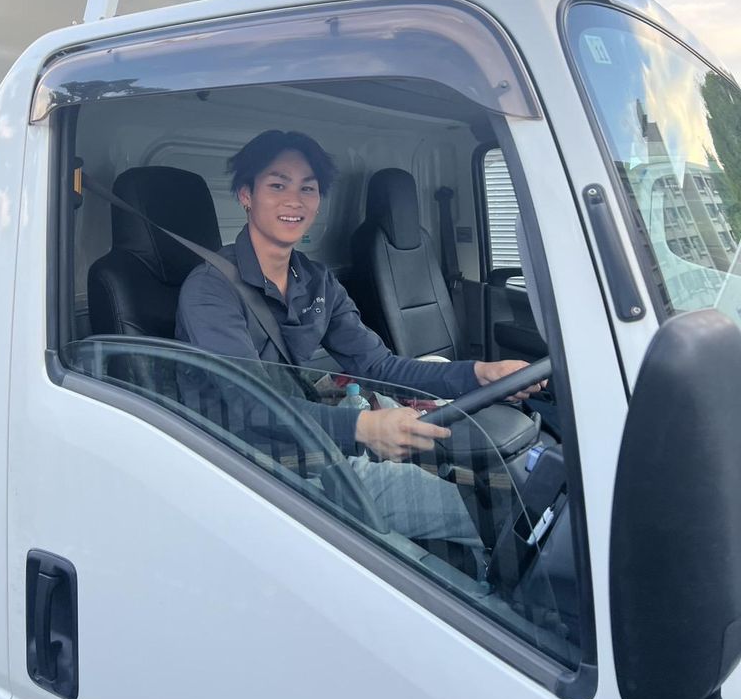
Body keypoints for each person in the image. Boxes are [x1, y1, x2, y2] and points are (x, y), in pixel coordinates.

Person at [175, 130, 540, 542]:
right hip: (247, 466)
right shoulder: (209, 290)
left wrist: (478, 374)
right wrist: (360, 427)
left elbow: (378, 366)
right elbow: (247, 403)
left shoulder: (317, 281)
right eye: (277, 185)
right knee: (483, 517)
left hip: (311, 442)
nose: (294, 200)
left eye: (308, 188)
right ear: (246, 195)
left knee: (497, 493)